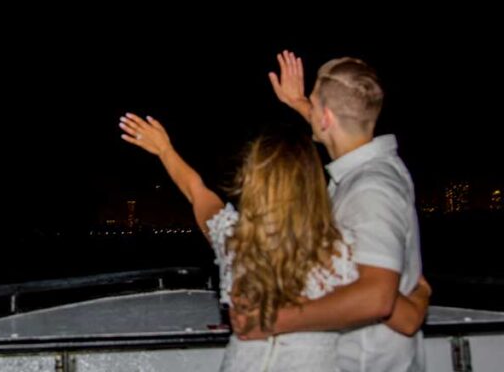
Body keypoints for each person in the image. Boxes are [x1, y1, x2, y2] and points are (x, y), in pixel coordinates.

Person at [119, 113, 430, 371]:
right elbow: (404, 318)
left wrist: (164, 150)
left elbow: (196, 191)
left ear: (253, 182)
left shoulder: (235, 242)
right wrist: (420, 292)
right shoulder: (341, 256)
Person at [232, 51, 428, 371]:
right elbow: (339, 123)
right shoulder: (369, 169)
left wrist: (271, 321)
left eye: (313, 103)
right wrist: (300, 102)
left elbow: (377, 298)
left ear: (325, 118)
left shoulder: (371, 189)